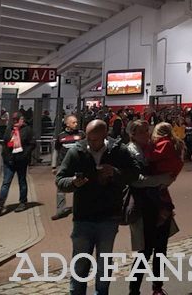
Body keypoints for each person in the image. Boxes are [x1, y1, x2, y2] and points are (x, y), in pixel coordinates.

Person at [55, 120, 138, 295]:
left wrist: (115, 173)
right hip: (83, 216)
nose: (91, 143)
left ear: (105, 136)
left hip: (109, 216)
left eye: (95, 140)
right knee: (80, 263)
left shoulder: (118, 151)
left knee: (104, 264)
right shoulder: (77, 152)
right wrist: (74, 182)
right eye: (88, 139)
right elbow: (60, 180)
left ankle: (101, 292)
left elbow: (134, 174)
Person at [126, 120, 177, 295]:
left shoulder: (150, 149)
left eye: (147, 131)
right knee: (145, 250)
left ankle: (157, 287)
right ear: (132, 134)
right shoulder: (130, 152)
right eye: (142, 132)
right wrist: (163, 179)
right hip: (143, 206)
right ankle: (134, 289)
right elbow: (136, 180)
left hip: (159, 203)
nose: (147, 135)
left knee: (161, 249)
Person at [0, 112, 36, 215]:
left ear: (22, 120)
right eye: (14, 120)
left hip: (21, 160)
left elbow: (32, 144)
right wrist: (6, 155)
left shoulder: (27, 130)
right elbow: (5, 143)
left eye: (17, 120)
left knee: (22, 181)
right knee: (6, 182)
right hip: (9, 160)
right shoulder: (9, 129)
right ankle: (0, 204)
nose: (15, 122)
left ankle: (23, 202)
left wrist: (25, 155)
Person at [51, 114, 85, 220]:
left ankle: (79, 210)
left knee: (79, 187)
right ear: (67, 123)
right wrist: (53, 166)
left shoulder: (81, 134)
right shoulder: (61, 136)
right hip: (64, 165)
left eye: (76, 122)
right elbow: (56, 150)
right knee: (60, 188)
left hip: (78, 165)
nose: (76, 124)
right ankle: (60, 210)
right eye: (73, 122)